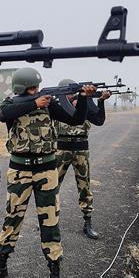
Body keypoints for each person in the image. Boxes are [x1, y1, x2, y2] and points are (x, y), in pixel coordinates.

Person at [0, 68, 95, 278]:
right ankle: (1, 265)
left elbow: (75, 119)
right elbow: (3, 114)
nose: (37, 91)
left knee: (50, 221)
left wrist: (84, 98)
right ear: (22, 88)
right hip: (20, 170)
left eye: (37, 88)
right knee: (12, 217)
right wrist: (34, 103)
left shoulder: (49, 105)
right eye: (32, 88)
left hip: (47, 170)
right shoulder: (11, 104)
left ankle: (55, 276)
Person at [55, 79, 110, 239]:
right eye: (69, 92)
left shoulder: (83, 102)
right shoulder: (55, 105)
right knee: (53, 187)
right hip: (61, 149)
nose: (72, 95)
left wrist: (99, 102)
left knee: (84, 187)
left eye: (73, 92)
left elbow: (99, 120)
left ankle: (88, 222)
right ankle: (50, 220)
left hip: (81, 149)